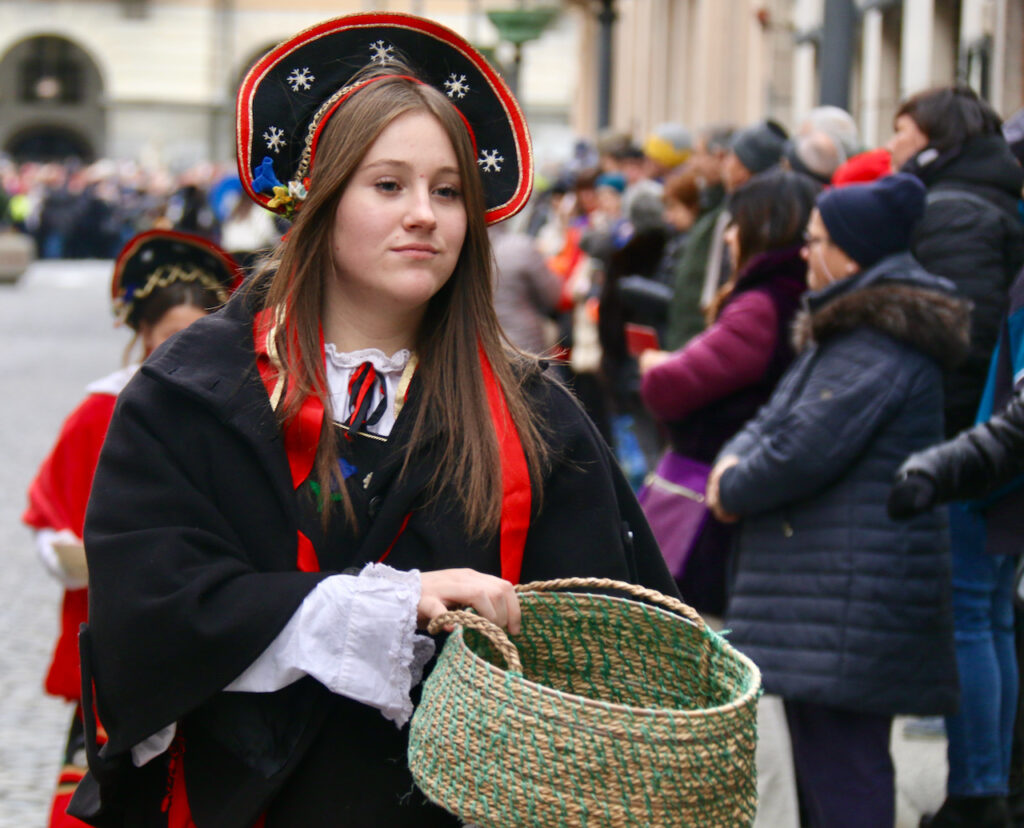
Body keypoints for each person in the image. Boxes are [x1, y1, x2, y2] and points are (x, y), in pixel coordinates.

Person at [68, 14, 676, 827]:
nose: (425, 214)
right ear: (321, 203)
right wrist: (398, 601)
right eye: (388, 185)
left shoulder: (539, 420)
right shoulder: (192, 396)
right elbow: (154, 620)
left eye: (448, 190)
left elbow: (624, 648)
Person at [706, 173, 968, 828]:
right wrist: (734, 464)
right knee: (829, 770)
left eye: (816, 239)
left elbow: (797, 447)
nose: (804, 251)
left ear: (853, 252)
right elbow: (774, 422)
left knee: (844, 774)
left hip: (848, 596)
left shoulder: (876, 339)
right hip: (830, 596)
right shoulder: (852, 330)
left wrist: (733, 482)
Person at [22, 229, 242, 828]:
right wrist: (68, 553)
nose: (187, 348)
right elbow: (50, 512)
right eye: (173, 335)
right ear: (142, 334)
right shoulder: (104, 410)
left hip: (205, 637)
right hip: (119, 638)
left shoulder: (235, 412)